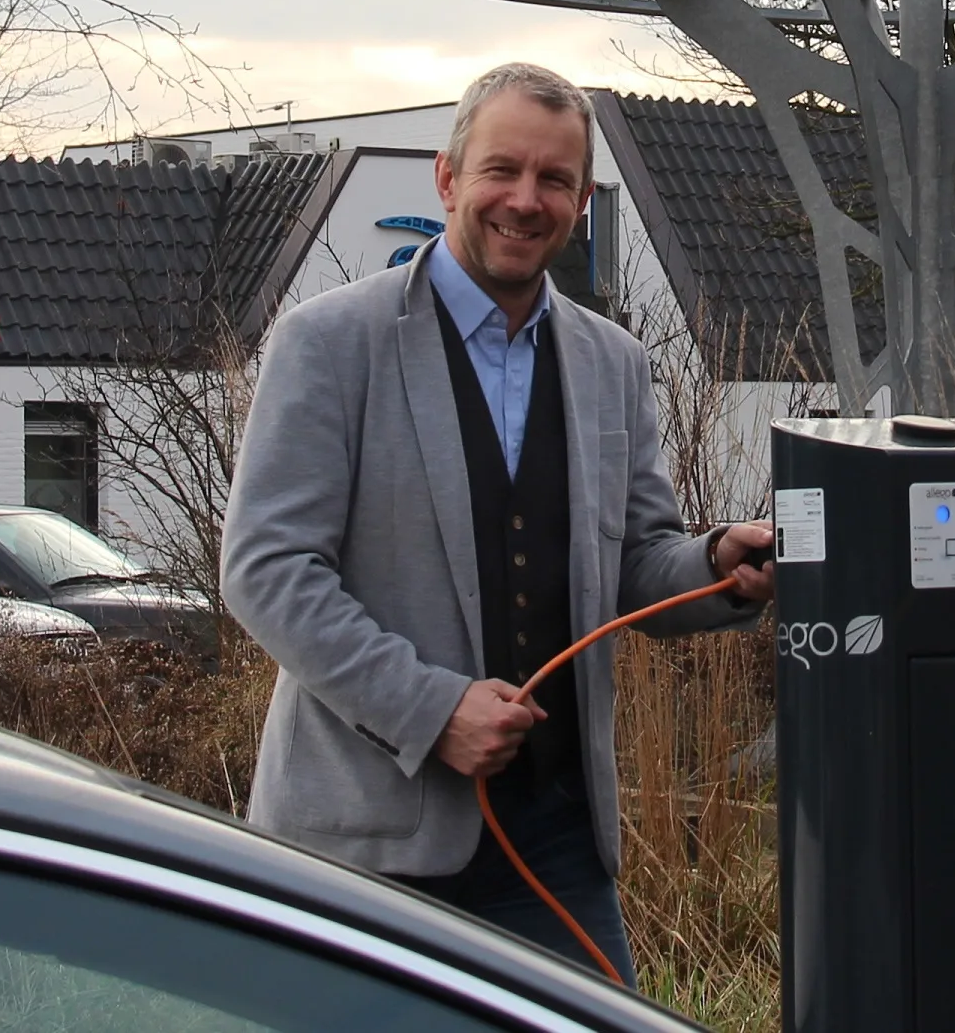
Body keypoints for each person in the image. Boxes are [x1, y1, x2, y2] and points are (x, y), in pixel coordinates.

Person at [223, 63, 773, 978]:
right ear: (447, 178)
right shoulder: (327, 343)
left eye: (554, 179)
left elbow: (632, 563)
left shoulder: (615, 364)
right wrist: (431, 710)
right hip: (363, 847)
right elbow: (267, 570)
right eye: (501, 171)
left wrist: (719, 565)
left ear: (582, 199)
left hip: (555, 838)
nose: (525, 200)